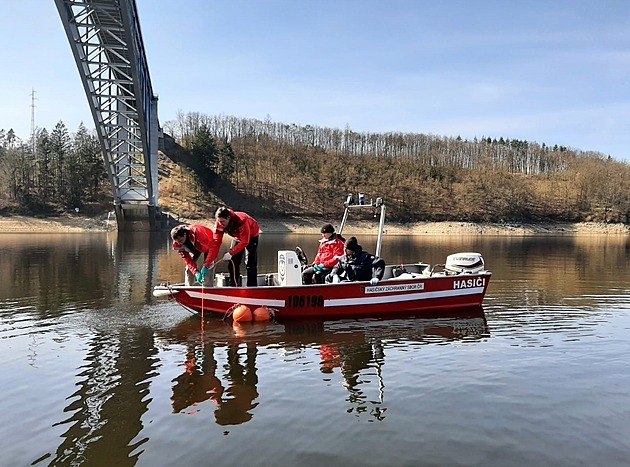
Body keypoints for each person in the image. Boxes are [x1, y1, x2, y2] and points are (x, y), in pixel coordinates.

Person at [208, 207, 260, 287]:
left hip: (252, 235)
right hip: (238, 237)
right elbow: (216, 243)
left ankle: (252, 286)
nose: (221, 224)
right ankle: (234, 285)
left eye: (223, 221)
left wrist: (231, 253)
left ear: (228, 218)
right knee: (232, 262)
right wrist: (211, 260)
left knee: (250, 262)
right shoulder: (219, 224)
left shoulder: (241, 221)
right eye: (219, 221)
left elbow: (245, 241)